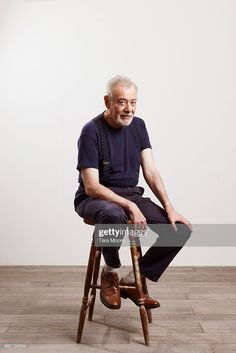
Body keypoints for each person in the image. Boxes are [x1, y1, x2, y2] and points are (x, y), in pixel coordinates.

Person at [74, 75, 192, 310]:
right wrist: (130, 206)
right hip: (95, 198)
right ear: (107, 101)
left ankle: (134, 280)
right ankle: (111, 272)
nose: (129, 109)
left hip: (131, 194)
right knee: (113, 215)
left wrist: (169, 206)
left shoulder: (138, 126)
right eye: (122, 102)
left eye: (133, 102)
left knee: (180, 231)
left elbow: (150, 170)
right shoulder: (91, 131)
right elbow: (91, 186)